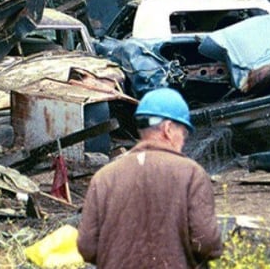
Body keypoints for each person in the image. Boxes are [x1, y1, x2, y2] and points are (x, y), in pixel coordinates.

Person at [76, 87, 222, 268]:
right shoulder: (191, 174)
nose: (183, 141)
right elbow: (207, 243)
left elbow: (87, 247)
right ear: (168, 128)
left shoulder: (104, 177)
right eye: (183, 133)